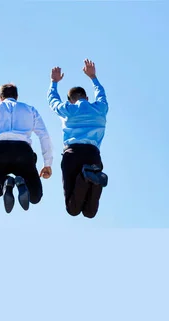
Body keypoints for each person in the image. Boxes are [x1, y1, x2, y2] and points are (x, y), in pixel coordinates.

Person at [0, 83, 53, 213]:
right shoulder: (30, 109)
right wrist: (47, 163)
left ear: (0, 97)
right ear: (16, 96)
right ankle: (21, 183)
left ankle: (5, 183)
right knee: (35, 196)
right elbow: (44, 135)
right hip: (22, 151)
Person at [47, 59, 109, 218]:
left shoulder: (68, 109)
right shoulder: (100, 109)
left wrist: (54, 83)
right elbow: (101, 95)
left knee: (73, 209)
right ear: (87, 98)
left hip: (73, 154)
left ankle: (85, 175)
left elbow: (53, 102)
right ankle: (92, 176)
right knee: (90, 213)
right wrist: (93, 77)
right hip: (92, 155)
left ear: (70, 100)